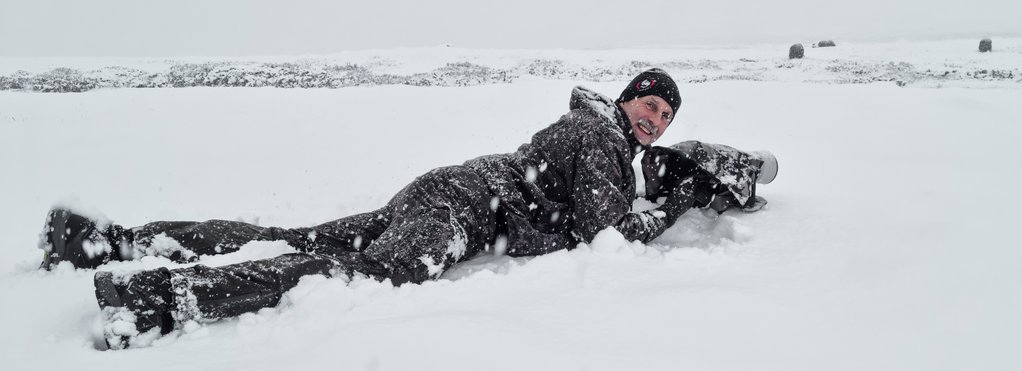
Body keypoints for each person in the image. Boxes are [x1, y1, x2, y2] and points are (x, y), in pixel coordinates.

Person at [37, 69, 777, 349]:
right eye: (648, 104)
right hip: (460, 207)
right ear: (625, 101)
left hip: (449, 188)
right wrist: (675, 203)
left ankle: (110, 242)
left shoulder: (597, 136)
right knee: (358, 274)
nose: (654, 121)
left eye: (665, 118)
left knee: (291, 235)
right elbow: (605, 234)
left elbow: (589, 206)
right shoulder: (599, 136)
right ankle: (154, 299)